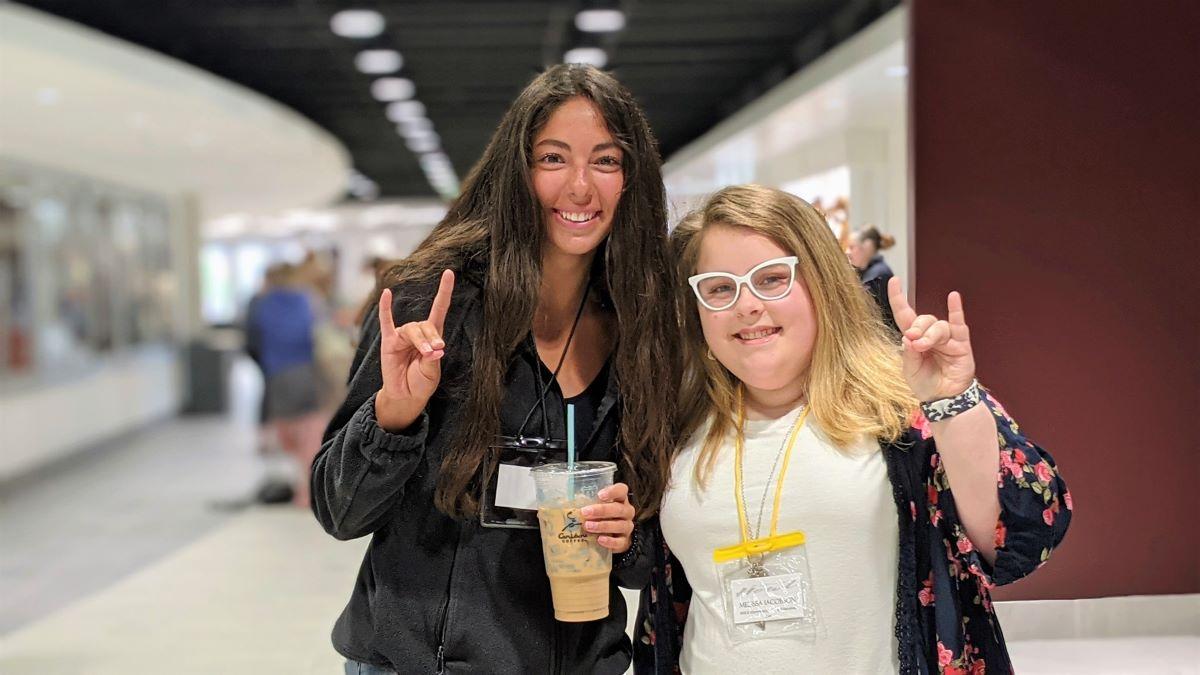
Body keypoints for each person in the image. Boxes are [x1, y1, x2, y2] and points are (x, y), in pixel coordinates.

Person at [310, 64, 678, 674]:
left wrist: (626, 533)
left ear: (632, 178)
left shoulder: (645, 326)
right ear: (518, 170)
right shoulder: (435, 305)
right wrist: (393, 416)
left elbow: (646, 559)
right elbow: (339, 511)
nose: (581, 187)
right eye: (553, 159)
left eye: (606, 160)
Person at [634, 185, 1071, 674]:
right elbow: (652, 579)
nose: (746, 305)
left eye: (772, 279)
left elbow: (1016, 543)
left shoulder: (905, 406)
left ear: (823, 285)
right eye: (719, 287)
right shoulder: (676, 425)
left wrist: (953, 404)